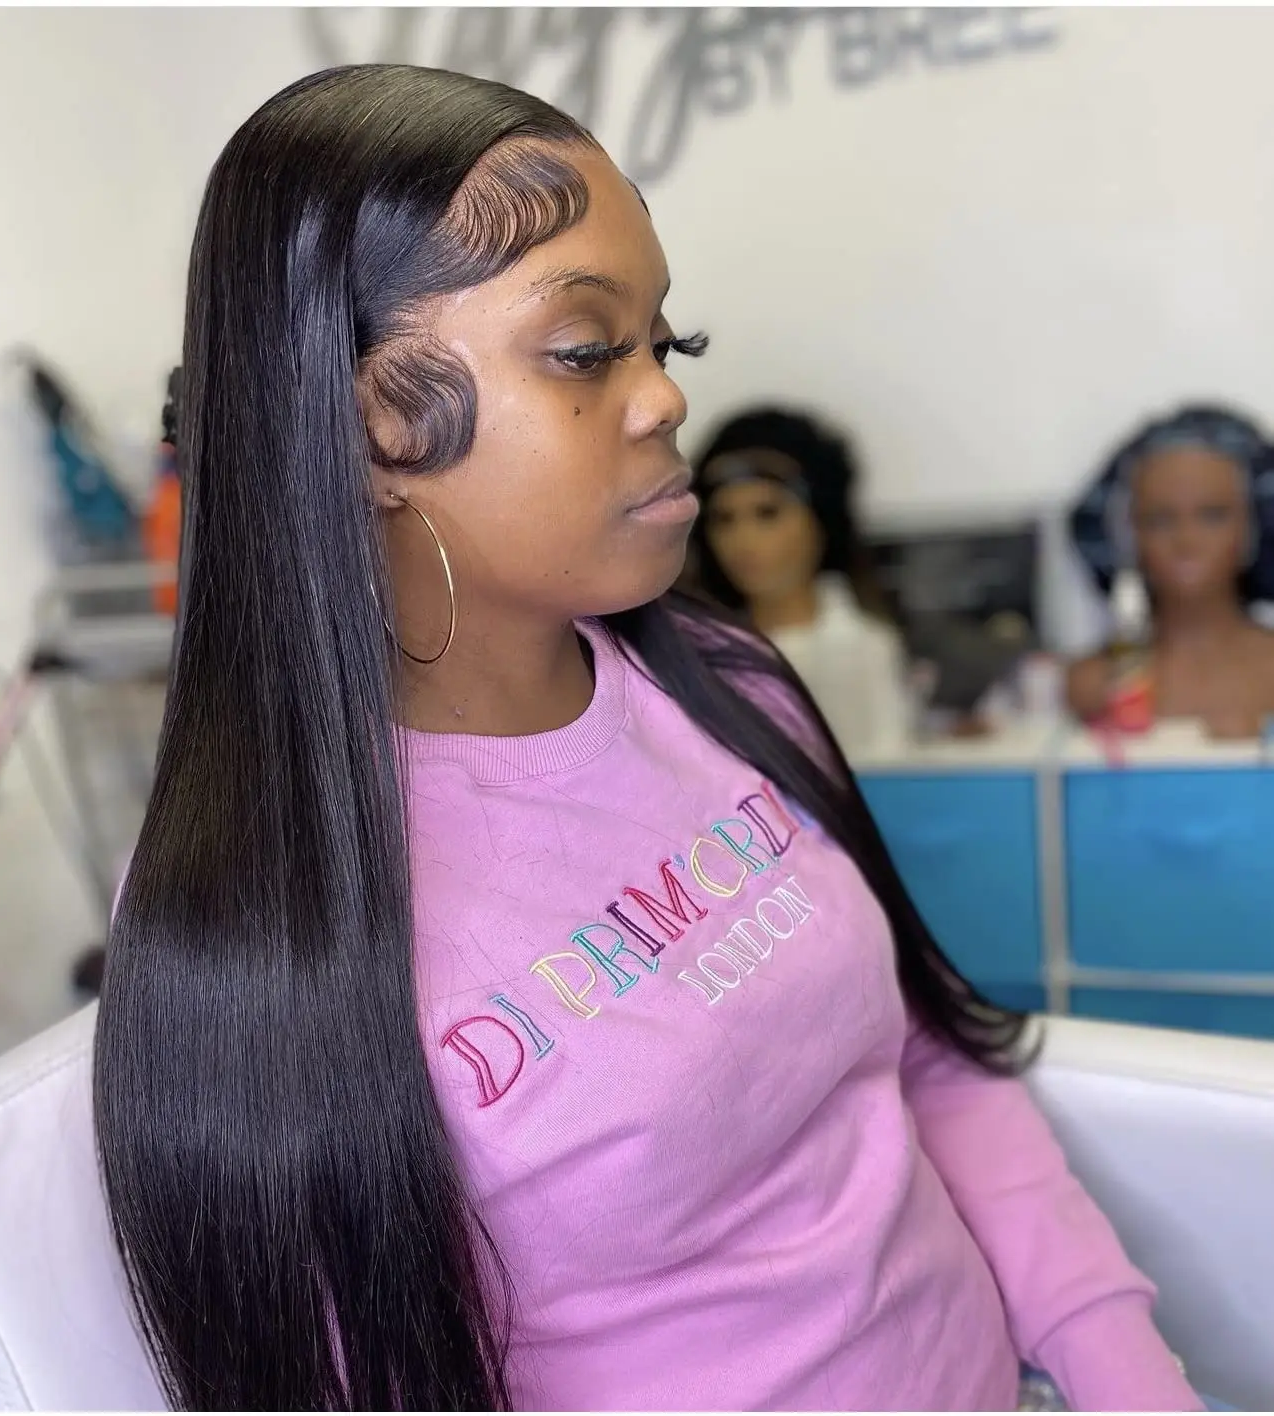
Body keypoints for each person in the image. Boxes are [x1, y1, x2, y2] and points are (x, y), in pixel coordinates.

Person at [95, 65, 1203, 1412]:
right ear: (370, 419)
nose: (664, 400)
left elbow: (928, 1066)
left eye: (665, 345)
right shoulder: (256, 912)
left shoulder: (726, 686)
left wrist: (1129, 1380)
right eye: (583, 350)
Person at [689, 408, 914, 757]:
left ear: (820, 520)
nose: (743, 540)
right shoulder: (697, 651)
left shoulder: (863, 649)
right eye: (724, 518)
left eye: (767, 513)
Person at [1067, 405, 1274, 740]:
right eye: (1160, 519)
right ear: (1126, 536)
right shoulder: (1094, 684)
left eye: (1212, 515)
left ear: (1253, 527)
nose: (1187, 541)